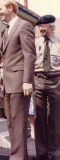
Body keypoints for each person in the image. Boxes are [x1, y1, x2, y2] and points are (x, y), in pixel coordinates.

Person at [0, 0, 36, 160]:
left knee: (18, 124)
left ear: (10, 8)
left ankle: (16, 158)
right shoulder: (7, 29)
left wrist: (27, 81)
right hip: (8, 84)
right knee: (12, 124)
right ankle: (19, 157)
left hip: (19, 83)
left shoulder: (23, 26)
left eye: (0, 9)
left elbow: (30, 55)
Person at [33, 15, 60, 160]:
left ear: (51, 27)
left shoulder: (59, 42)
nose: (41, 28)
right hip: (38, 80)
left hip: (56, 81)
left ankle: (55, 152)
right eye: (39, 26)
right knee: (39, 117)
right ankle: (41, 152)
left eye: (43, 26)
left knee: (56, 117)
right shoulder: (35, 42)